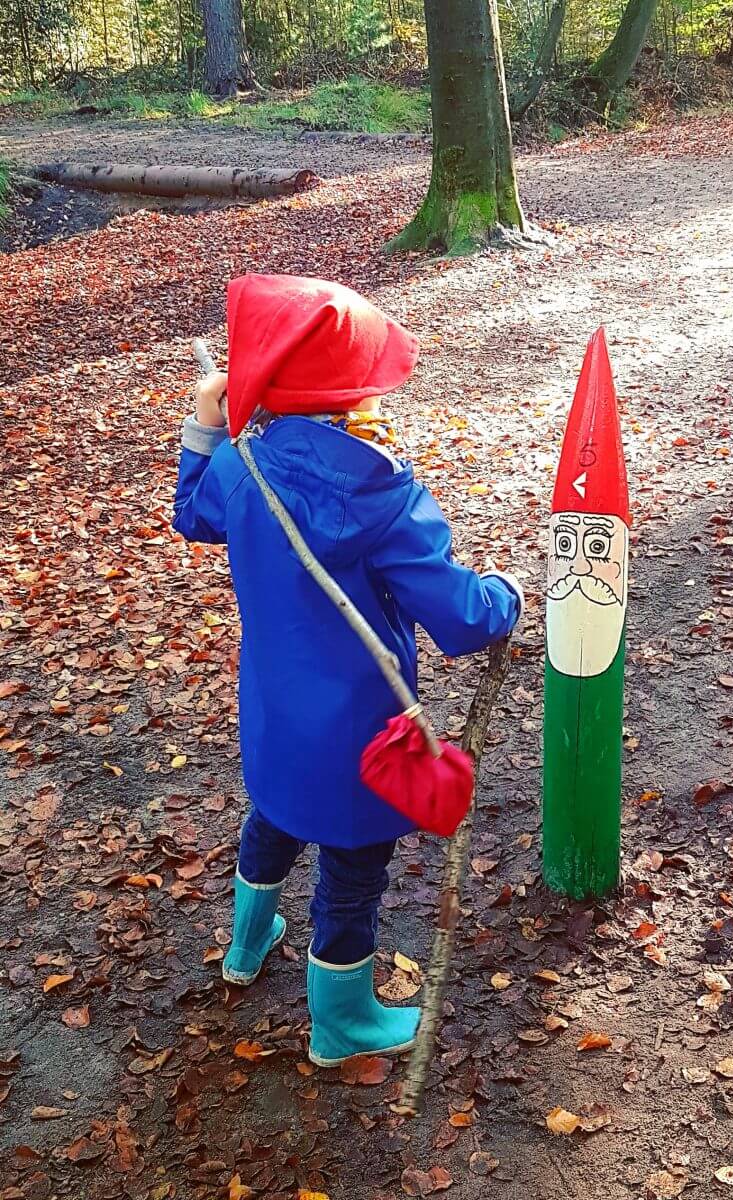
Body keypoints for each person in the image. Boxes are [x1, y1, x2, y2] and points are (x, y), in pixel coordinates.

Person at [173, 273, 522, 1067]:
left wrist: (204, 426)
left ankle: (245, 945)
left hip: (272, 717)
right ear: (356, 400)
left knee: (273, 817)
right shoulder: (385, 495)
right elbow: (463, 618)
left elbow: (192, 514)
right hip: (361, 736)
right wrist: (509, 594)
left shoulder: (241, 467)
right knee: (354, 871)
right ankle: (342, 1026)